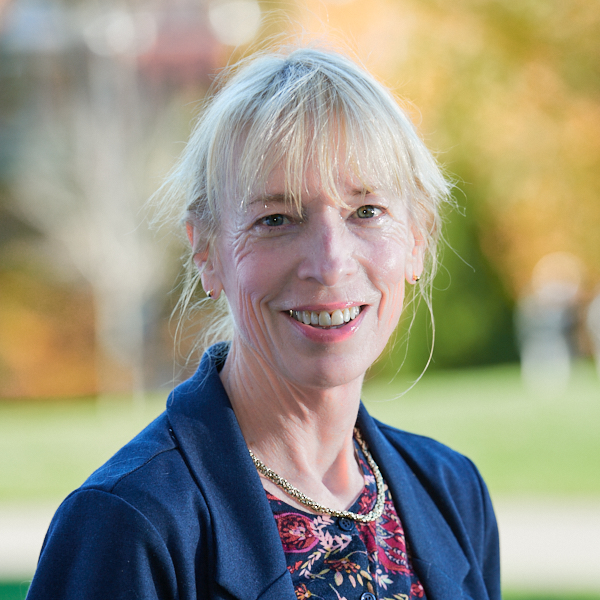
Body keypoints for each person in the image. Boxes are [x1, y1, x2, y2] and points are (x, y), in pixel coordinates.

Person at [27, 46, 500, 600]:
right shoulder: (127, 524)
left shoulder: (453, 493)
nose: (330, 263)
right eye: (276, 219)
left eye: (366, 211)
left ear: (417, 238)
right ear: (206, 252)